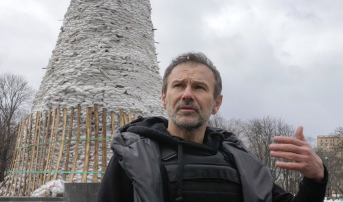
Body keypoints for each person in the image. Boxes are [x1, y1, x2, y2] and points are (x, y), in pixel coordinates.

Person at [97, 52, 328, 202]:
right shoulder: (132, 156)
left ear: (217, 103)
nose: (187, 94)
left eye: (199, 87)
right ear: (164, 99)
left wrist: (316, 179)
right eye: (179, 86)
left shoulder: (242, 162)